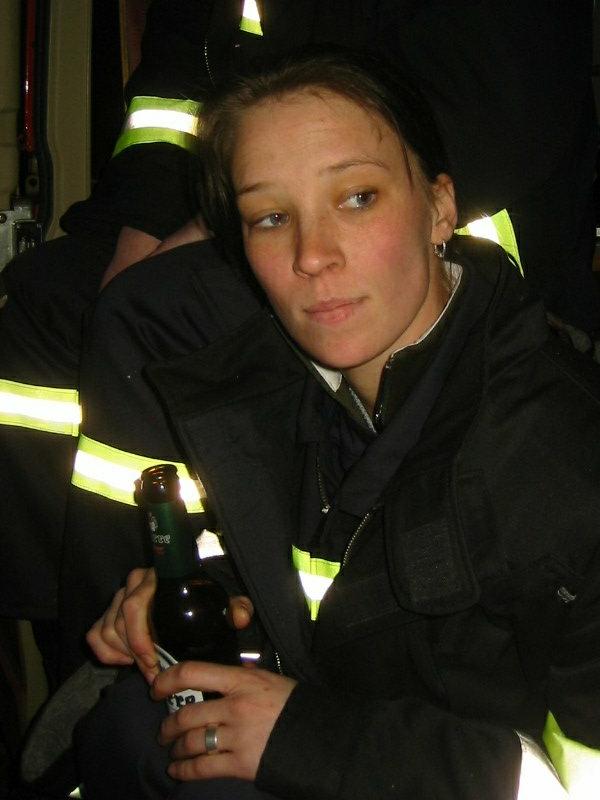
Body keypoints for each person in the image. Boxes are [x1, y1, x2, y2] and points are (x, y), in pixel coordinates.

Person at [77, 48, 600, 799]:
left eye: (357, 198)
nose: (312, 256)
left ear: (440, 208)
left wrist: (311, 741)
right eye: (271, 217)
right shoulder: (264, 402)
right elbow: (335, 608)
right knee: (139, 730)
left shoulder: (563, 461)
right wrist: (213, 606)